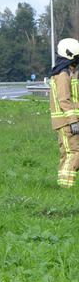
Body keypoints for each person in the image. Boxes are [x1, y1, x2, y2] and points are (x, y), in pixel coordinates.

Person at [52, 38, 79, 188]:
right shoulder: (63, 75)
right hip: (66, 122)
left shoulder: (67, 72)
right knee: (73, 153)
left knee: (70, 153)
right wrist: (73, 120)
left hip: (68, 121)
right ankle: (66, 186)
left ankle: (64, 185)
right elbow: (64, 100)